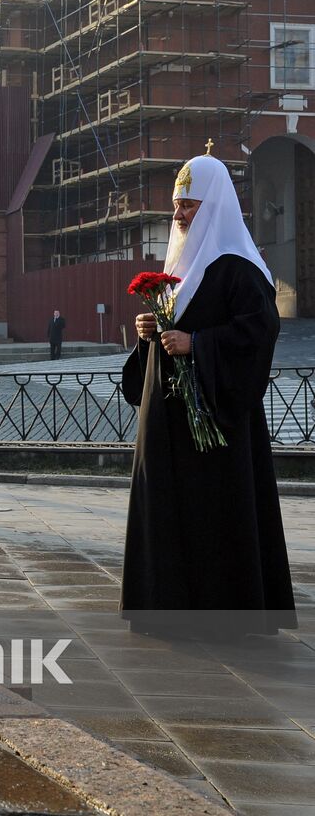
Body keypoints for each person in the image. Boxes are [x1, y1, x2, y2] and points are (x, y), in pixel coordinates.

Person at [120, 152, 295, 635]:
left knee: (213, 517)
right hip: (171, 423)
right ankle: (166, 607)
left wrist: (198, 344)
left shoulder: (239, 268)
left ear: (214, 205)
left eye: (189, 206)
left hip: (215, 427)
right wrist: (149, 332)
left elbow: (260, 332)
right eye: (176, 205)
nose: (178, 216)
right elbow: (172, 335)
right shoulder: (182, 266)